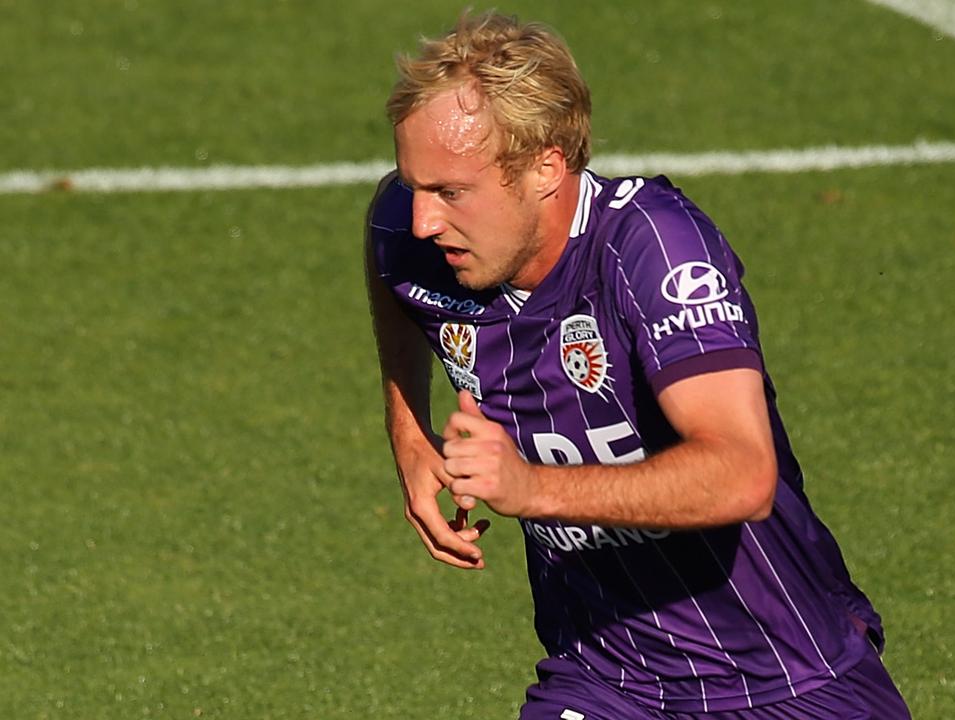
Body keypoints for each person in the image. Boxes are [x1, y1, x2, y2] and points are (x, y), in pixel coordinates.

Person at [365, 11, 911, 719]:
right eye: (418, 185)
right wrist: (408, 431)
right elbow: (386, 247)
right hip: (604, 681)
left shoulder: (652, 246)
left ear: (545, 167)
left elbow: (743, 473)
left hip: (788, 679)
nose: (423, 222)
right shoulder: (414, 235)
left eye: (452, 192)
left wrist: (532, 487)